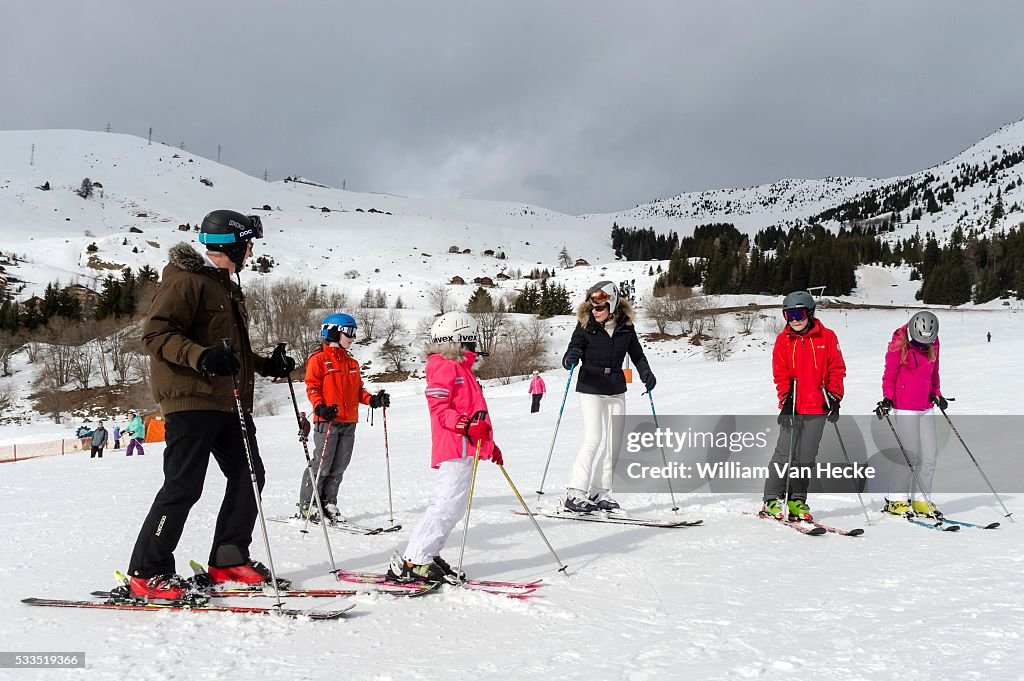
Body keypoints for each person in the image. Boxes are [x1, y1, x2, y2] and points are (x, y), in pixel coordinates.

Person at [125, 209, 296, 601]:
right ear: (232, 243)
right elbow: (156, 334)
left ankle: (229, 558)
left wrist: (268, 364)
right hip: (191, 399)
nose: (251, 253)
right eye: (248, 244)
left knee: (250, 476)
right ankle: (147, 572)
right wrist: (200, 357)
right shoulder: (186, 280)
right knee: (184, 486)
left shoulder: (225, 286)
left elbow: (230, 353)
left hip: (227, 402)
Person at [386, 312, 501, 583]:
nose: (475, 347)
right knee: (446, 505)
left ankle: (428, 553)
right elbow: (439, 410)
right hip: (453, 445)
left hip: (467, 446)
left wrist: (489, 445)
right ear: (460, 339)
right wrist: (466, 426)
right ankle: (414, 560)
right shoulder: (444, 366)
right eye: (471, 342)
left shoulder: (463, 369)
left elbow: (477, 414)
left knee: (454, 507)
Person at [560, 281, 654, 514]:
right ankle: (575, 492)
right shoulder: (585, 325)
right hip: (590, 386)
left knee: (615, 443)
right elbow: (574, 348)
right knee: (593, 438)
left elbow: (637, 354)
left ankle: (599, 492)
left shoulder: (626, 327)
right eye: (593, 307)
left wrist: (646, 372)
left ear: (611, 305)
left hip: (615, 387)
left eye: (600, 307)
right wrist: (571, 356)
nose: (595, 311)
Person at [761, 291, 846, 521]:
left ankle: (797, 499)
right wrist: (785, 400)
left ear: (810, 313)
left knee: (806, 456)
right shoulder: (783, 340)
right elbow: (780, 373)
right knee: (784, 453)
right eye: (789, 315)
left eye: (799, 314)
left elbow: (836, 368)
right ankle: (772, 499)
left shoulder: (827, 337)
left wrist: (835, 396)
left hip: (817, 407)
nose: (794, 320)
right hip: (794, 406)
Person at [298, 313, 389, 524]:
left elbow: (359, 392)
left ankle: (329, 503)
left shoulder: (352, 363)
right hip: (327, 421)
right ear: (332, 332)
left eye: (354, 332)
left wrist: (374, 400)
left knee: (339, 466)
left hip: (349, 421)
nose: (352, 337)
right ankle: (308, 505)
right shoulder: (318, 359)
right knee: (322, 464)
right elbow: (312, 387)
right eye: (349, 332)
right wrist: (320, 407)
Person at [875, 311, 944, 518]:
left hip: (926, 405)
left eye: (926, 343)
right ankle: (896, 500)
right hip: (904, 405)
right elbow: (889, 375)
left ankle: (921, 500)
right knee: (909, 455)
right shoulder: (899, 341)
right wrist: (887, 398)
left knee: (930, 455)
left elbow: (934, 372)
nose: (923, 346)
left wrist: (937, 394)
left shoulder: (934, 341)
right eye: (919, 342)